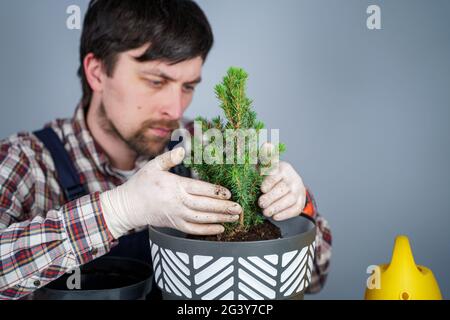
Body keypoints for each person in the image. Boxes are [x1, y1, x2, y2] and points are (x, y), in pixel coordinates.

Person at [0, 0, 332, 300]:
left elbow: (315, 276)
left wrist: (298, 207)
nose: (175, 109)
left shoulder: (206, 146)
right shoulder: (27, 162)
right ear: (97, 72)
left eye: (188, 86)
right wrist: (118, 211)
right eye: (156, 82)